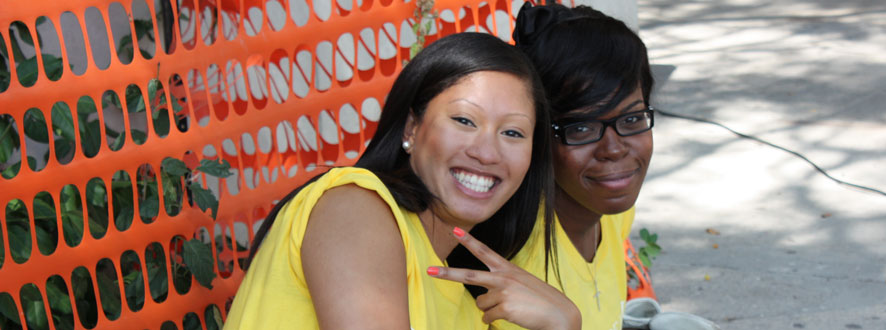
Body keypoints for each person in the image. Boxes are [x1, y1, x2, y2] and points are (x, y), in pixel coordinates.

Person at [223, 32, 580, 330]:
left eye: (513, 132)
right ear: (412, 128)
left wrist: (565, 324)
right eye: (464, 121)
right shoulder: (355, 207)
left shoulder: (473, 302)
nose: (487, 153)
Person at [490, 3, 656, 330]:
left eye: (632, 118)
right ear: (535, 134)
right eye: (581, 127)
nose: (614, 148)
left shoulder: (615, 215)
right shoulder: (512, 274)